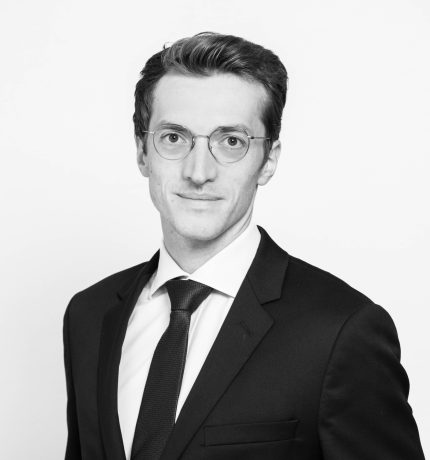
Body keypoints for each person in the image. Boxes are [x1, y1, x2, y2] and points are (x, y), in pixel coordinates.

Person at [63, 32, 425, 460]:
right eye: (174, 138)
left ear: (268, 160)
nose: (198, 172)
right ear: (143, 151)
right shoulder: (89, 315)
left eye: (231, 141)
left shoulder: (341, 331)